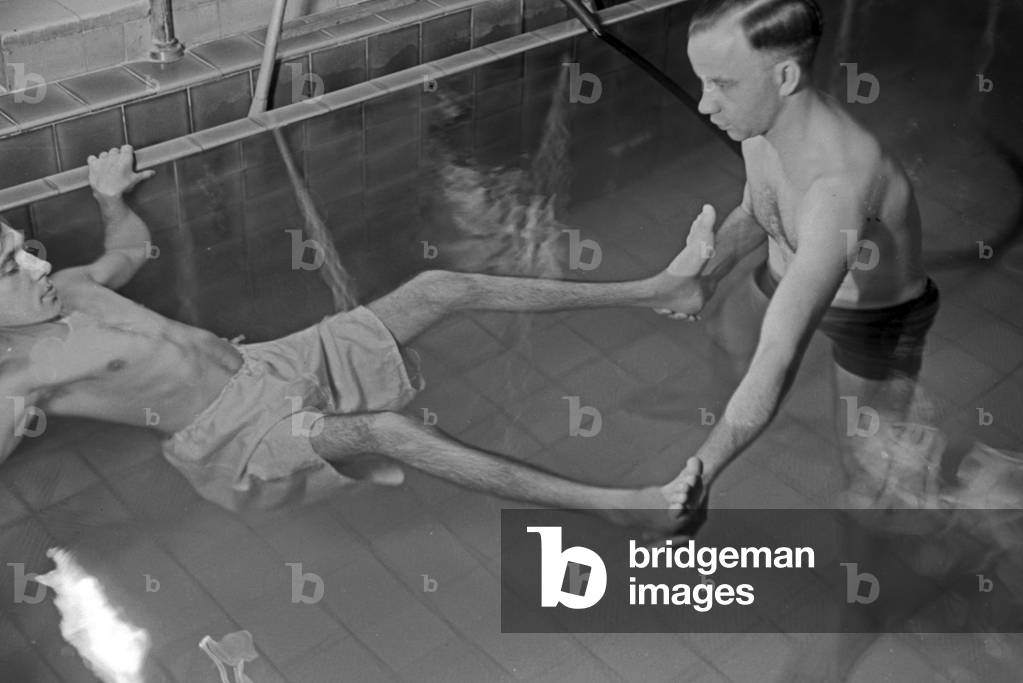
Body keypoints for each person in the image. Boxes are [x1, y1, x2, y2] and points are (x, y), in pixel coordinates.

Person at [0, 145, 709, 533]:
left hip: (263, 365)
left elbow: (124, 251)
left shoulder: (70, 286)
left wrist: (109, 199)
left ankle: (661, 289)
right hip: (235, 438)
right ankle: (621, 507)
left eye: (22, 247)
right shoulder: (16, 375)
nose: (33, 261)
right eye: (10, 265)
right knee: (386, 430)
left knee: (440, 288)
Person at [660, 0, 940, 518]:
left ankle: (884, 566)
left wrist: (700, 469)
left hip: (873, 320)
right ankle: (746, 417)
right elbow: (756, 211)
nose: (704, 105)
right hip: (787, 268)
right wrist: (707, 268)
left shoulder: (837, 187)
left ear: (784, 76)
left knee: (867, 475)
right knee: (729, 331)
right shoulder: (765, 124)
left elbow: (778, 356)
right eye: (703, 82)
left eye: (721, 84)